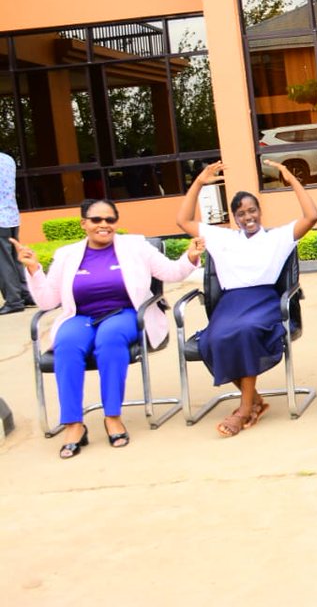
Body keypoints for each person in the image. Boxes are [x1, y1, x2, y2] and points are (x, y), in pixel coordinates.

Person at [14, 199, 204, 458]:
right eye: (96, 220)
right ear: (84, 223)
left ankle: (112, 416)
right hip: (81, 316)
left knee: (110, 338)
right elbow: (48, 301)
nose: (104, 225)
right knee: (66, 344)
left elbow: (171, 272)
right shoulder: (66, 255)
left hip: (124, 313)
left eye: (110, 220)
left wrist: (191, 255)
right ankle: (73, 424)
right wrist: (34, 270)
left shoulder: (136, 247)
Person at [175, 160, 317, 437]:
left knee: (246, 332)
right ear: (234, 217)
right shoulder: (222, 238)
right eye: (241, 213)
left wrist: (291, 179)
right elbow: (183, 220)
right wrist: (199, 183)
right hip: (230, 304)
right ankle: (254, 401)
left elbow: (311, 216)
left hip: (264, 302)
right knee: (212, 340)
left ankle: (243, 411)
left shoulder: (277, 238)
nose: (247, 216)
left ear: (260, 212)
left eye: (252, 210)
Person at [0, 151, 33, 315]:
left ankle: (13, 301)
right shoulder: (7, 159)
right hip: (12, 216)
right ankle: (26, 294)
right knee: (15, 258)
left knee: (3, 262)